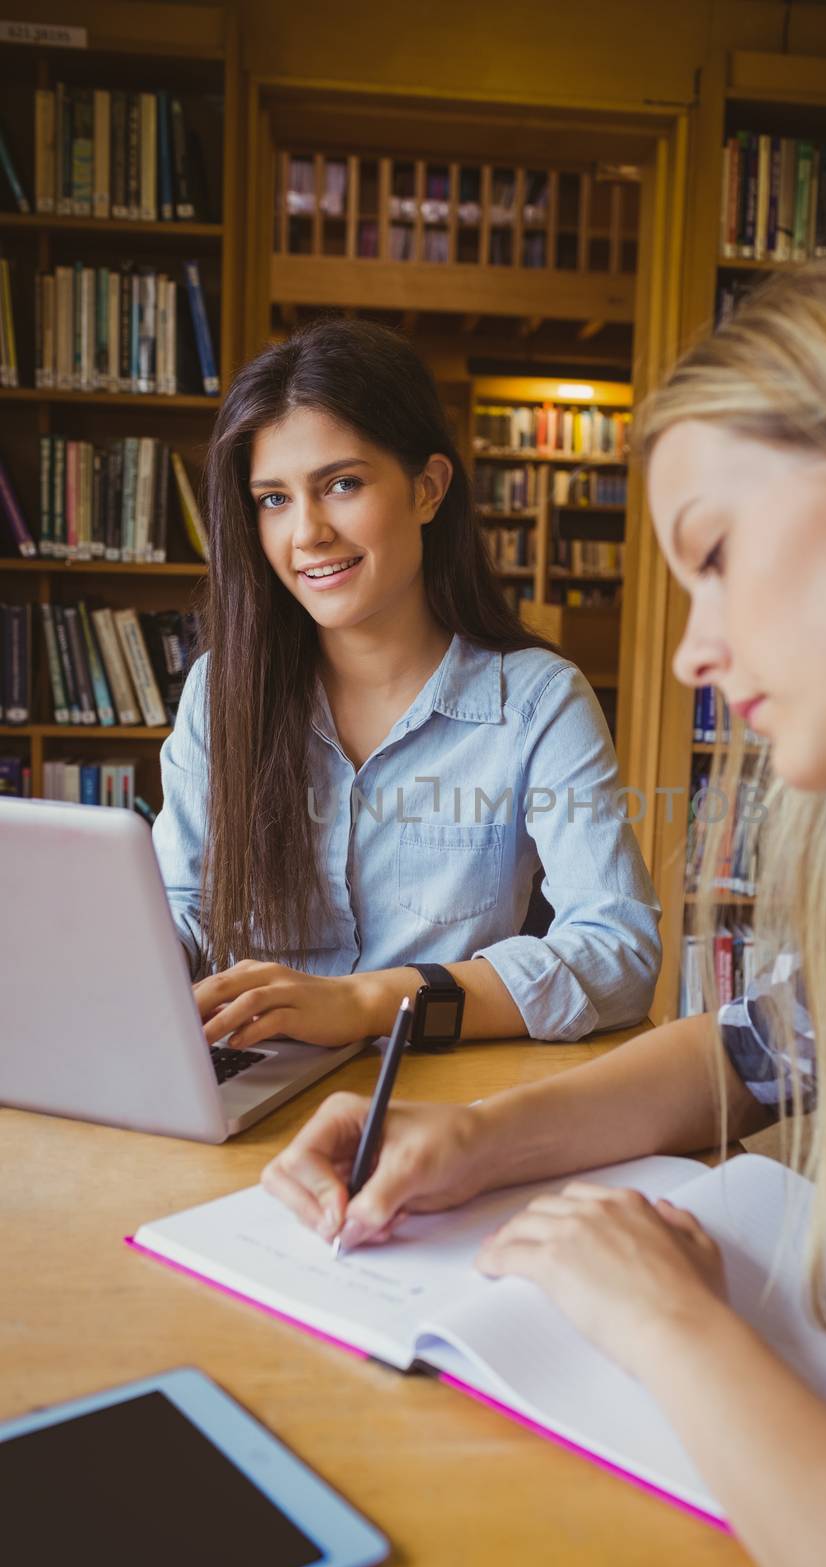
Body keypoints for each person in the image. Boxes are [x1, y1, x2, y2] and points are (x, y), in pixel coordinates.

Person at [263, 245, 826, 1567]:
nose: (690, 651)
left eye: (712, 553)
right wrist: (471, 1136)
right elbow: (752, 1050)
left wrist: (667, 1324)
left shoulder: (526, 698)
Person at [152, 317, 660, 1047]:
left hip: (432, 1093)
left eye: (342, 484)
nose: (306, 534)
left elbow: (620, 949)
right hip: (241, 1073)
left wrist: (366, 1003)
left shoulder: (538, 702)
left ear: (428, 490)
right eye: (273, 499)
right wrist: (141, 974)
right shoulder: (219, 690)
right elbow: (184, 905)